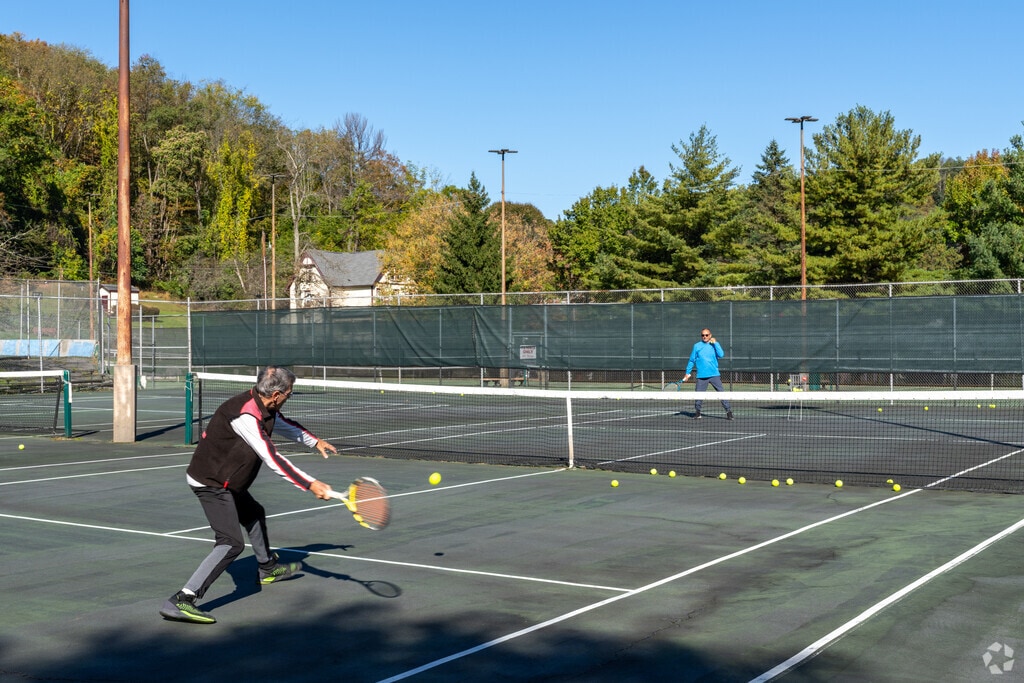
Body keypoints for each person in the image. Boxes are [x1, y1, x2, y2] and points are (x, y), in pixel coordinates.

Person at [159, 365, 337, 624]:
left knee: (254, 513)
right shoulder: (244, 415)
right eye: (289, 393)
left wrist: (314, 441)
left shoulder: (263, 406)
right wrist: (309, 484)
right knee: (231, 542)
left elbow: (284, 425)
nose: (289, 396)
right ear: (276, 394)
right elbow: (271, 457)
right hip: (211, 483)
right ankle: (182, 599)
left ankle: (267, 568)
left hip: (230, 483)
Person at [682, 328, 733, 420]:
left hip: (714, 375)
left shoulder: (714, 345)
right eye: (703, 335)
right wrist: (687, 373)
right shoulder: (696, 346)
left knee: (721, 393)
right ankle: (698, 413)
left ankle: (728, 412)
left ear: (710, 335)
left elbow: (721, 355)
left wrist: (716, 343)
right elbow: (691, 360)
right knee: (698, 395)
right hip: (701, 376)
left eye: (706, 335)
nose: (704, 337)